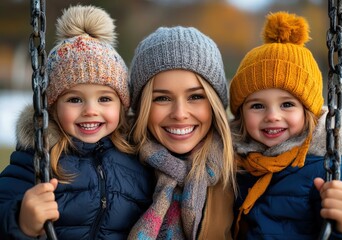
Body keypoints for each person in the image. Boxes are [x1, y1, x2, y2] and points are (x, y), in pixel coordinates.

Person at [0, 5, 154, 239]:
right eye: (74, 99)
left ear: (122, 105)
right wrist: (21, 220)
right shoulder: (36, 159)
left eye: (104, 98)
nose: (91, 111)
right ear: (52, 106)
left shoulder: (137, 160)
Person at [229, 11, 342, 239]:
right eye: (257, 106)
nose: (272, 116)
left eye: (287, 104)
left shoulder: (327, 169)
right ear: (241, 113)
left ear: (308, 112)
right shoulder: (235, 164)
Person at [126, 26, 236, 240]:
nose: (179, 114)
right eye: (162, 98)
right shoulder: (117, 166)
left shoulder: (239, 168)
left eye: (195, 97)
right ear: (142, 107)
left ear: (214, 103)